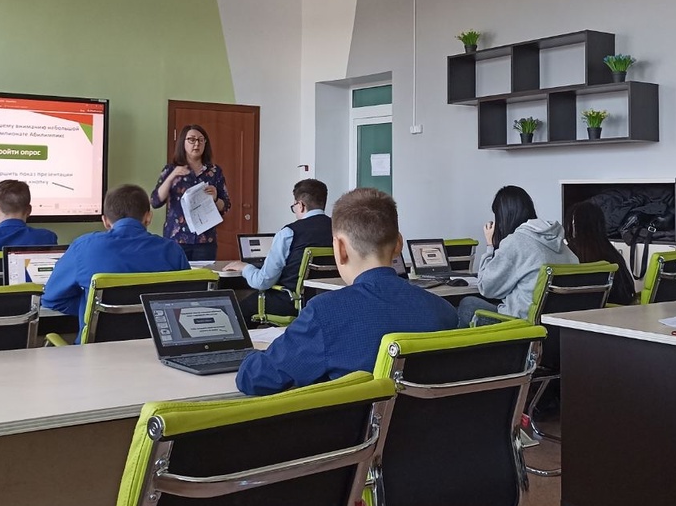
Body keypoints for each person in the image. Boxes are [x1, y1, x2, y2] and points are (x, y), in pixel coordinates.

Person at [236, 187, 457, 396]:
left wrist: (252, 356)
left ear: (340, 248)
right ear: (398, 244)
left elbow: (254, 378)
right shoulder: (444, 312)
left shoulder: (325, 313)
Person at [41, 184, 189, 326]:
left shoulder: (83, 247)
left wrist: (91, 307)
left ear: (105, 221)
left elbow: (51, 299)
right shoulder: (173, 251)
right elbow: (189, 302)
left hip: (98, 344)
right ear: (148, 217)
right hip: (156, 342)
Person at [454, 186, 577, 327]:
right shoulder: (559, 241)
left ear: (503, 216)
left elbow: (486, 287)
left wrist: (490, 245)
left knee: (468, 305)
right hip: (555, 325)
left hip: (521, 324)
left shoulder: (516, 242)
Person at [228, 178, 332, 321]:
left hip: (291, 303)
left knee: (236, 312)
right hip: (328, 302)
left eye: (294, 206)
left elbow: (263, 282)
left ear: (301, 205)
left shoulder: (289, 232)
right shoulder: (340, 229)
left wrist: (245, 267)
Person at [149, 123, 231, 261]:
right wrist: (171, 177)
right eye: (192, 139)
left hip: (205, 240)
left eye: (201, 140)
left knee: (203, 274)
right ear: (183, 142)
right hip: (176, 239)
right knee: (177, 274)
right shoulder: (171, 170)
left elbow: (226, 205)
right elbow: (155, 201)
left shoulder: (214, 171)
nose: (196, 144)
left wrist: (215, 198)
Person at [566, 200, 636, 306]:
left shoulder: (571, 254)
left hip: (595, 312)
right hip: (624, 310)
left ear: (573, 226)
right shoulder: (613, 254)